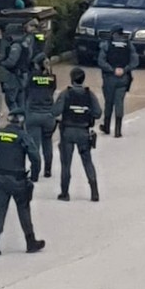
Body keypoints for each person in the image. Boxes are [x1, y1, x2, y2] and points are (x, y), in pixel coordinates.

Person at [0, 108, 45, 258]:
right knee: (23, 210)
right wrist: (34, 175)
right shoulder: (22, 136)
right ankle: (30, 242)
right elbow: (35, 157)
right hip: (18, 180)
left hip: (0, 179)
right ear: (22, 121)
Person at [52, 68, 102, 202]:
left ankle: (65, 193)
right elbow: (98, 113)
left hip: (67, 131)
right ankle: (94, 192)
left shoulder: (65, 94)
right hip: (83, 132)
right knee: (87, 162)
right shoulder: (89, 94)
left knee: (66, 164)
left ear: (71, 79)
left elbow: (55, 111)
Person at [98, 25, 139, 138]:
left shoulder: (107, 44)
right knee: (119, 102)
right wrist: (124, 70)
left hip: (109, 78)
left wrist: (112, 70)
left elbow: (101, 61)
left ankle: (106, 126)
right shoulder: (128, 44)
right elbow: (135, 61)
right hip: (123, 78)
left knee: (109, 102)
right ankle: (118, 130)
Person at [25, 53, 57, 178]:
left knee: (35, 145)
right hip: (48, 115)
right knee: (47, 142)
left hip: (33, 114)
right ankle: (48, 170)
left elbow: (26, 90)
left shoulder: (32, 77)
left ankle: (35, 173)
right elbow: (53, 89)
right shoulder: (52, 78)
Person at [0, 23, 32, 110]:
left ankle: (16, 117)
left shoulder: (16, 45)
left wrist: (1, 63)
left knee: (11, 99)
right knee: (21, 99)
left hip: (14, 76)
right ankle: (22, 118)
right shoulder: (25, 44)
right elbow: (29, 57)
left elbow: (11, 62)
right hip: (23, 74)